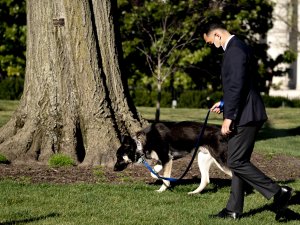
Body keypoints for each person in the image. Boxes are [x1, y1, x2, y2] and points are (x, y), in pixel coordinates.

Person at [203, 22, 292, 220]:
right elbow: (242, 83)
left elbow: (236, 86)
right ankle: (233, 209)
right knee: (238, 161)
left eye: (210, 42)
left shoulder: (234, 50)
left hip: (246, 116)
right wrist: (225, 103)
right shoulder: (239, 47)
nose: (212, 46)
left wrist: (229, 117)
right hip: (247, 112)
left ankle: (279, 192)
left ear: (217, 35)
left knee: (235, 161)